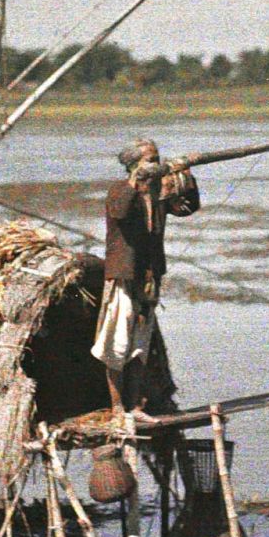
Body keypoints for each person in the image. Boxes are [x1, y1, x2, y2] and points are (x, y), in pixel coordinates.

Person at [94, 136, 201, 412]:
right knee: (116, 343)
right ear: (134, 165)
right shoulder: (119, 190)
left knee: (139, 345)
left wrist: (187, 177)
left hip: (150, 276)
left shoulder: (158, 193)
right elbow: (120, 211)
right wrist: (136, 182)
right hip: (124, 274)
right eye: (151, 160)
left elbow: (187, 208)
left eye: (157, 158)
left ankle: (134, 406)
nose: (157, 164)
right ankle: (118, 408)